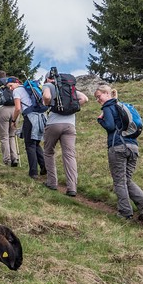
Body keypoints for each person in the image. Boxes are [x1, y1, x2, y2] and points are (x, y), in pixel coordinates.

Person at [96, 85, 143, 219]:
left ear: (107, 93)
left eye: (99, 96)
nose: (98, 100)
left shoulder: (108, 107)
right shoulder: (123, 105)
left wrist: (100, 120)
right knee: (126, 179)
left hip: (118, 146)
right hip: (133, 147)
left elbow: (111, 126)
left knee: (119, 181)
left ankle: (125, 212)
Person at [40, 68, 88, 197]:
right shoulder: (70, 88)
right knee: (69, 155)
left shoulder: (48, 85)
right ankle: (72, 188)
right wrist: (72, 108)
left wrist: (48, 104)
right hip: (70, 125)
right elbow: (84, 98)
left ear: (48, 78)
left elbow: (46, 96)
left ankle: (52, 182)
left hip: (54, 123)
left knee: (49, 152)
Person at [9, 77, 46, 179]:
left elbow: (17, 108)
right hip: (41, 117)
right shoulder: (30, 88)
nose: (11, 88)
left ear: (17, 83)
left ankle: (33, 173)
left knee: (30, 145)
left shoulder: (17, 91)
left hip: (30, 118)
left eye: (11, 85)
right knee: (36, 143)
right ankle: (44, 167)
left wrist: (13, 120)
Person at [0, 71, 19, 167]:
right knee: (12, 135)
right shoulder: (12, 83)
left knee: (4, 136)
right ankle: (15, 158)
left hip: (2, 110)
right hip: (14, 109)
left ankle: (7, 159)